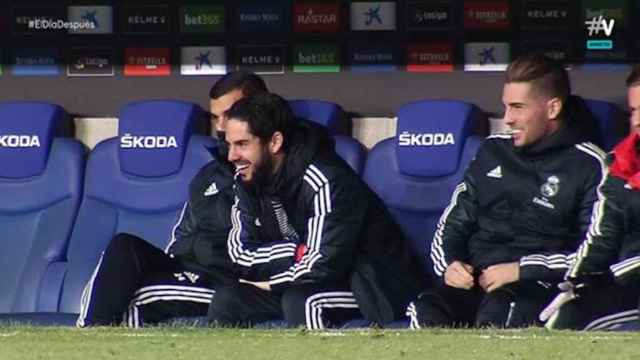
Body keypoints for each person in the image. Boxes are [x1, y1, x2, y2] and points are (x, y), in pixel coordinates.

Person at [406, 53, 607, 329]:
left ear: (552, 109)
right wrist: (451, 265)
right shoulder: (492, 150)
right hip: (477, 281)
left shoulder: (589, 164)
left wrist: (520, 270)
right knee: (426, 307)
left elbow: (594, 253)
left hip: (537, 286)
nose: (508, 118)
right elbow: (452, 224)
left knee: (501, 311)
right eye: (506, 107)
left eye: (517, 107)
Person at [206, 92, 424, 329]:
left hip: (373, 287)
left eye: (242, 144)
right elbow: (240, 254)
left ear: (275, 142)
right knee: (228, 299)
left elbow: (323, 264)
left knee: (303, 301)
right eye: (229, 145)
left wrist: (272, 283)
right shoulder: (247, 179)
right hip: (300, 279)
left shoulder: (325, 179)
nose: (231, 156)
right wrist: (295, 252)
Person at [76, 71, 268, 327]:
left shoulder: (268, 170)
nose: (220, 127)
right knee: (125, 247)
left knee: (134, 298)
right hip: (188, 270)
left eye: (229, 114)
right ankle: (88, 333)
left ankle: (90, 340)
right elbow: (181, 238)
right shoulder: (208, 175)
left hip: (227, 280)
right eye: (215, 117)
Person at [542, 65, 640, 331]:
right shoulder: (622, 162)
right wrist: (576, 280)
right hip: (628, 284)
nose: (638, 120)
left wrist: (619, 272)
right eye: (634, 111)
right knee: (568, 316)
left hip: (627, 275)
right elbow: (603, 235)